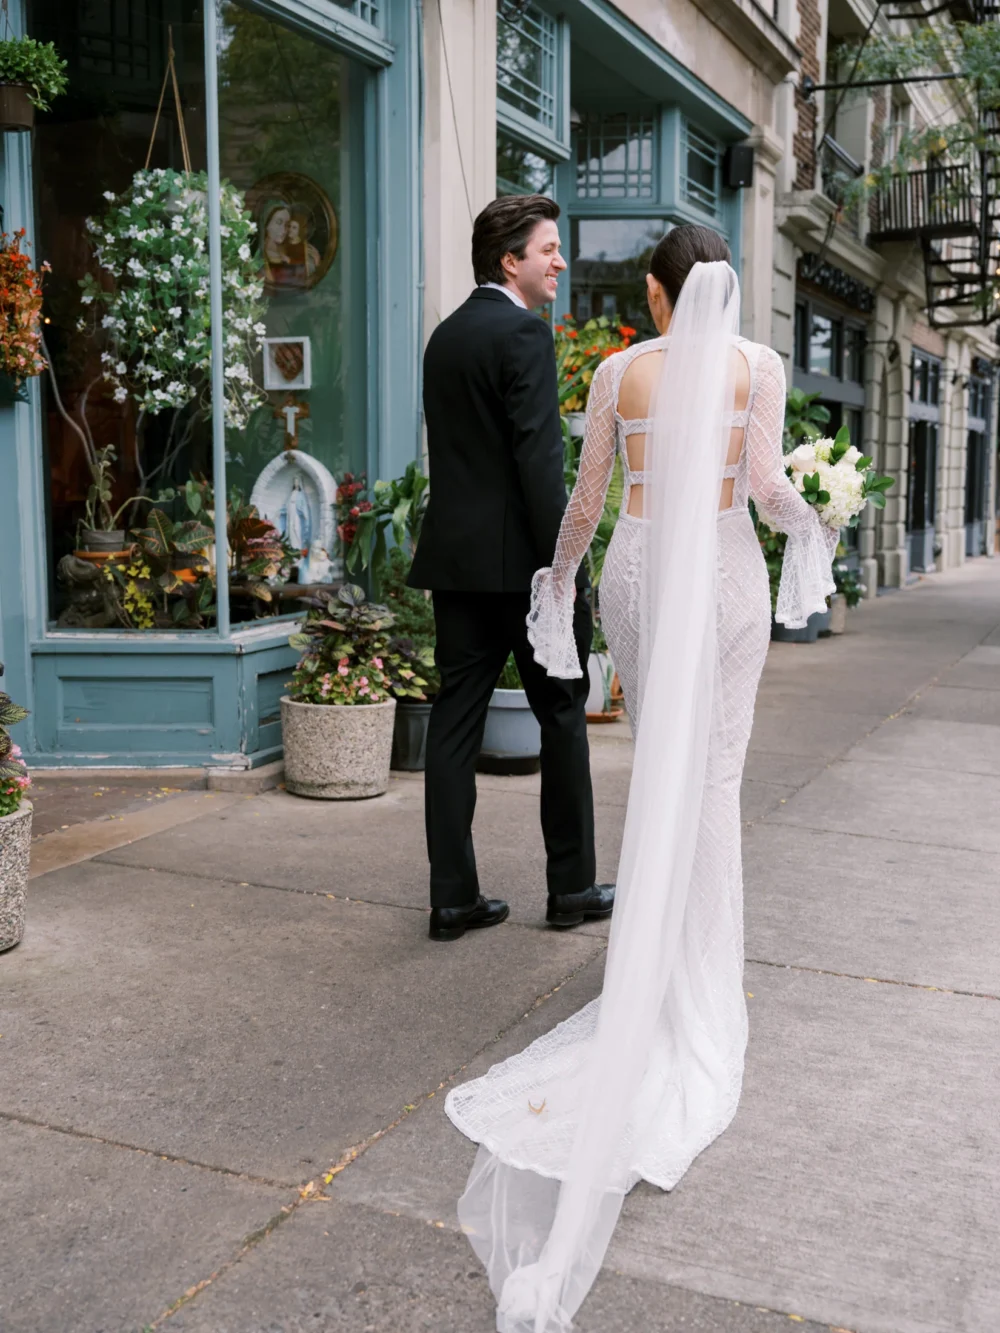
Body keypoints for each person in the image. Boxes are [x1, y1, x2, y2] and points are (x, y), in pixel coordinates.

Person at [445, 224, 838, 1331]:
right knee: (711, 781)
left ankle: (659, 982)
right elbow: (763, 490)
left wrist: (554, 584)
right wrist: (817, 519)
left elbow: (586, 501)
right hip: (721, 579)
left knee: (657, 771)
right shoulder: (758, 369)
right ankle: (697, 988)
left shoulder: (619, 372)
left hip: (637, 573)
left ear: (663, 295)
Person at [408, 194, 615, 943]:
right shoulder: (524, 335)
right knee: (562, 716)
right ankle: (572, 888)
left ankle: (453, 899)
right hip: (526, 573)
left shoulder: (444, 337)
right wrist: (566, 569)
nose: (560, 261)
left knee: (455, 724)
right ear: (510, 260)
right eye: (549, 249)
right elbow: (538, 465)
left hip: (457, 565)